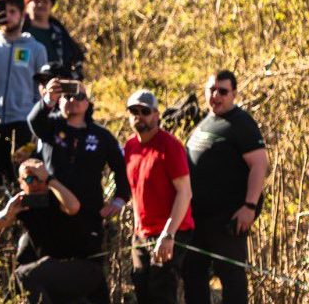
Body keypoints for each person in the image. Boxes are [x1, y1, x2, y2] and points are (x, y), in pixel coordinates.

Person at [182, 70, 270, 304]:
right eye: (212, 90)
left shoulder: (241, 123)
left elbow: (259, 164)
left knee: (231, 279)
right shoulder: (206, 121)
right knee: (192, 274)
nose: (216, 96)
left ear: (234, 94)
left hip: (228, 219)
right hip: (198, 218)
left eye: (223, 91)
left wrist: (249, 206)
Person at [28, 80, 130, 256]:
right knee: (50, 262)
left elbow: (122, 168)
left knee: (88, 264)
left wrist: (119, 200)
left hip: (89, 213)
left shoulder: (101, 135)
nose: (72, 100)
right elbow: (34, 120)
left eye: (79, 96)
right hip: (52, 210)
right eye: (67, 96)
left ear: (88, 103)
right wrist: (48, 99)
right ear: (59, 101)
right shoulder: (50, 127)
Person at [0, 159, 110, 304]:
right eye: (29, 179)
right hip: (55, 274)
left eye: (39, 178)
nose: (35, 184)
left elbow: (73, 207)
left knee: (25, 274)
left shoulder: (58, 198)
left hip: (83, 268)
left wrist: (50, 179)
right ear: (21, 182)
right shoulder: (23, 205)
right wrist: (7, 213)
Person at [122, 89, 194, 304]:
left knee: (161, 293)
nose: (139, 116)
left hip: (171, 232)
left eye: (145, 111)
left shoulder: (170, 146)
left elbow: (185, 192)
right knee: (141, 288)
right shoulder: (130, 146)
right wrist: (137, 229)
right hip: (142, 234)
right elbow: (136, 190)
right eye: (134, 111)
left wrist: (168, 234)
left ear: (156, 115)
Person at [0, 0, 48, 186]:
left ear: (22, 14)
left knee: (21, 175)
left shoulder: (36, 48)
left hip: (23, 120)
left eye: (12, 11)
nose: (7, 16)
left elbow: (42, 87)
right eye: (3, 12)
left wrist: (38, 120)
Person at [22, 0, 86, 77]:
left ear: (51, 5)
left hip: (55, 81)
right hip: (25, 79)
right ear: (27, 5)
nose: (41, 4)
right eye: (36, 1)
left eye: (45, 1)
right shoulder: (19, 30)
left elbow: (74, 57)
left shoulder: (59, 31)